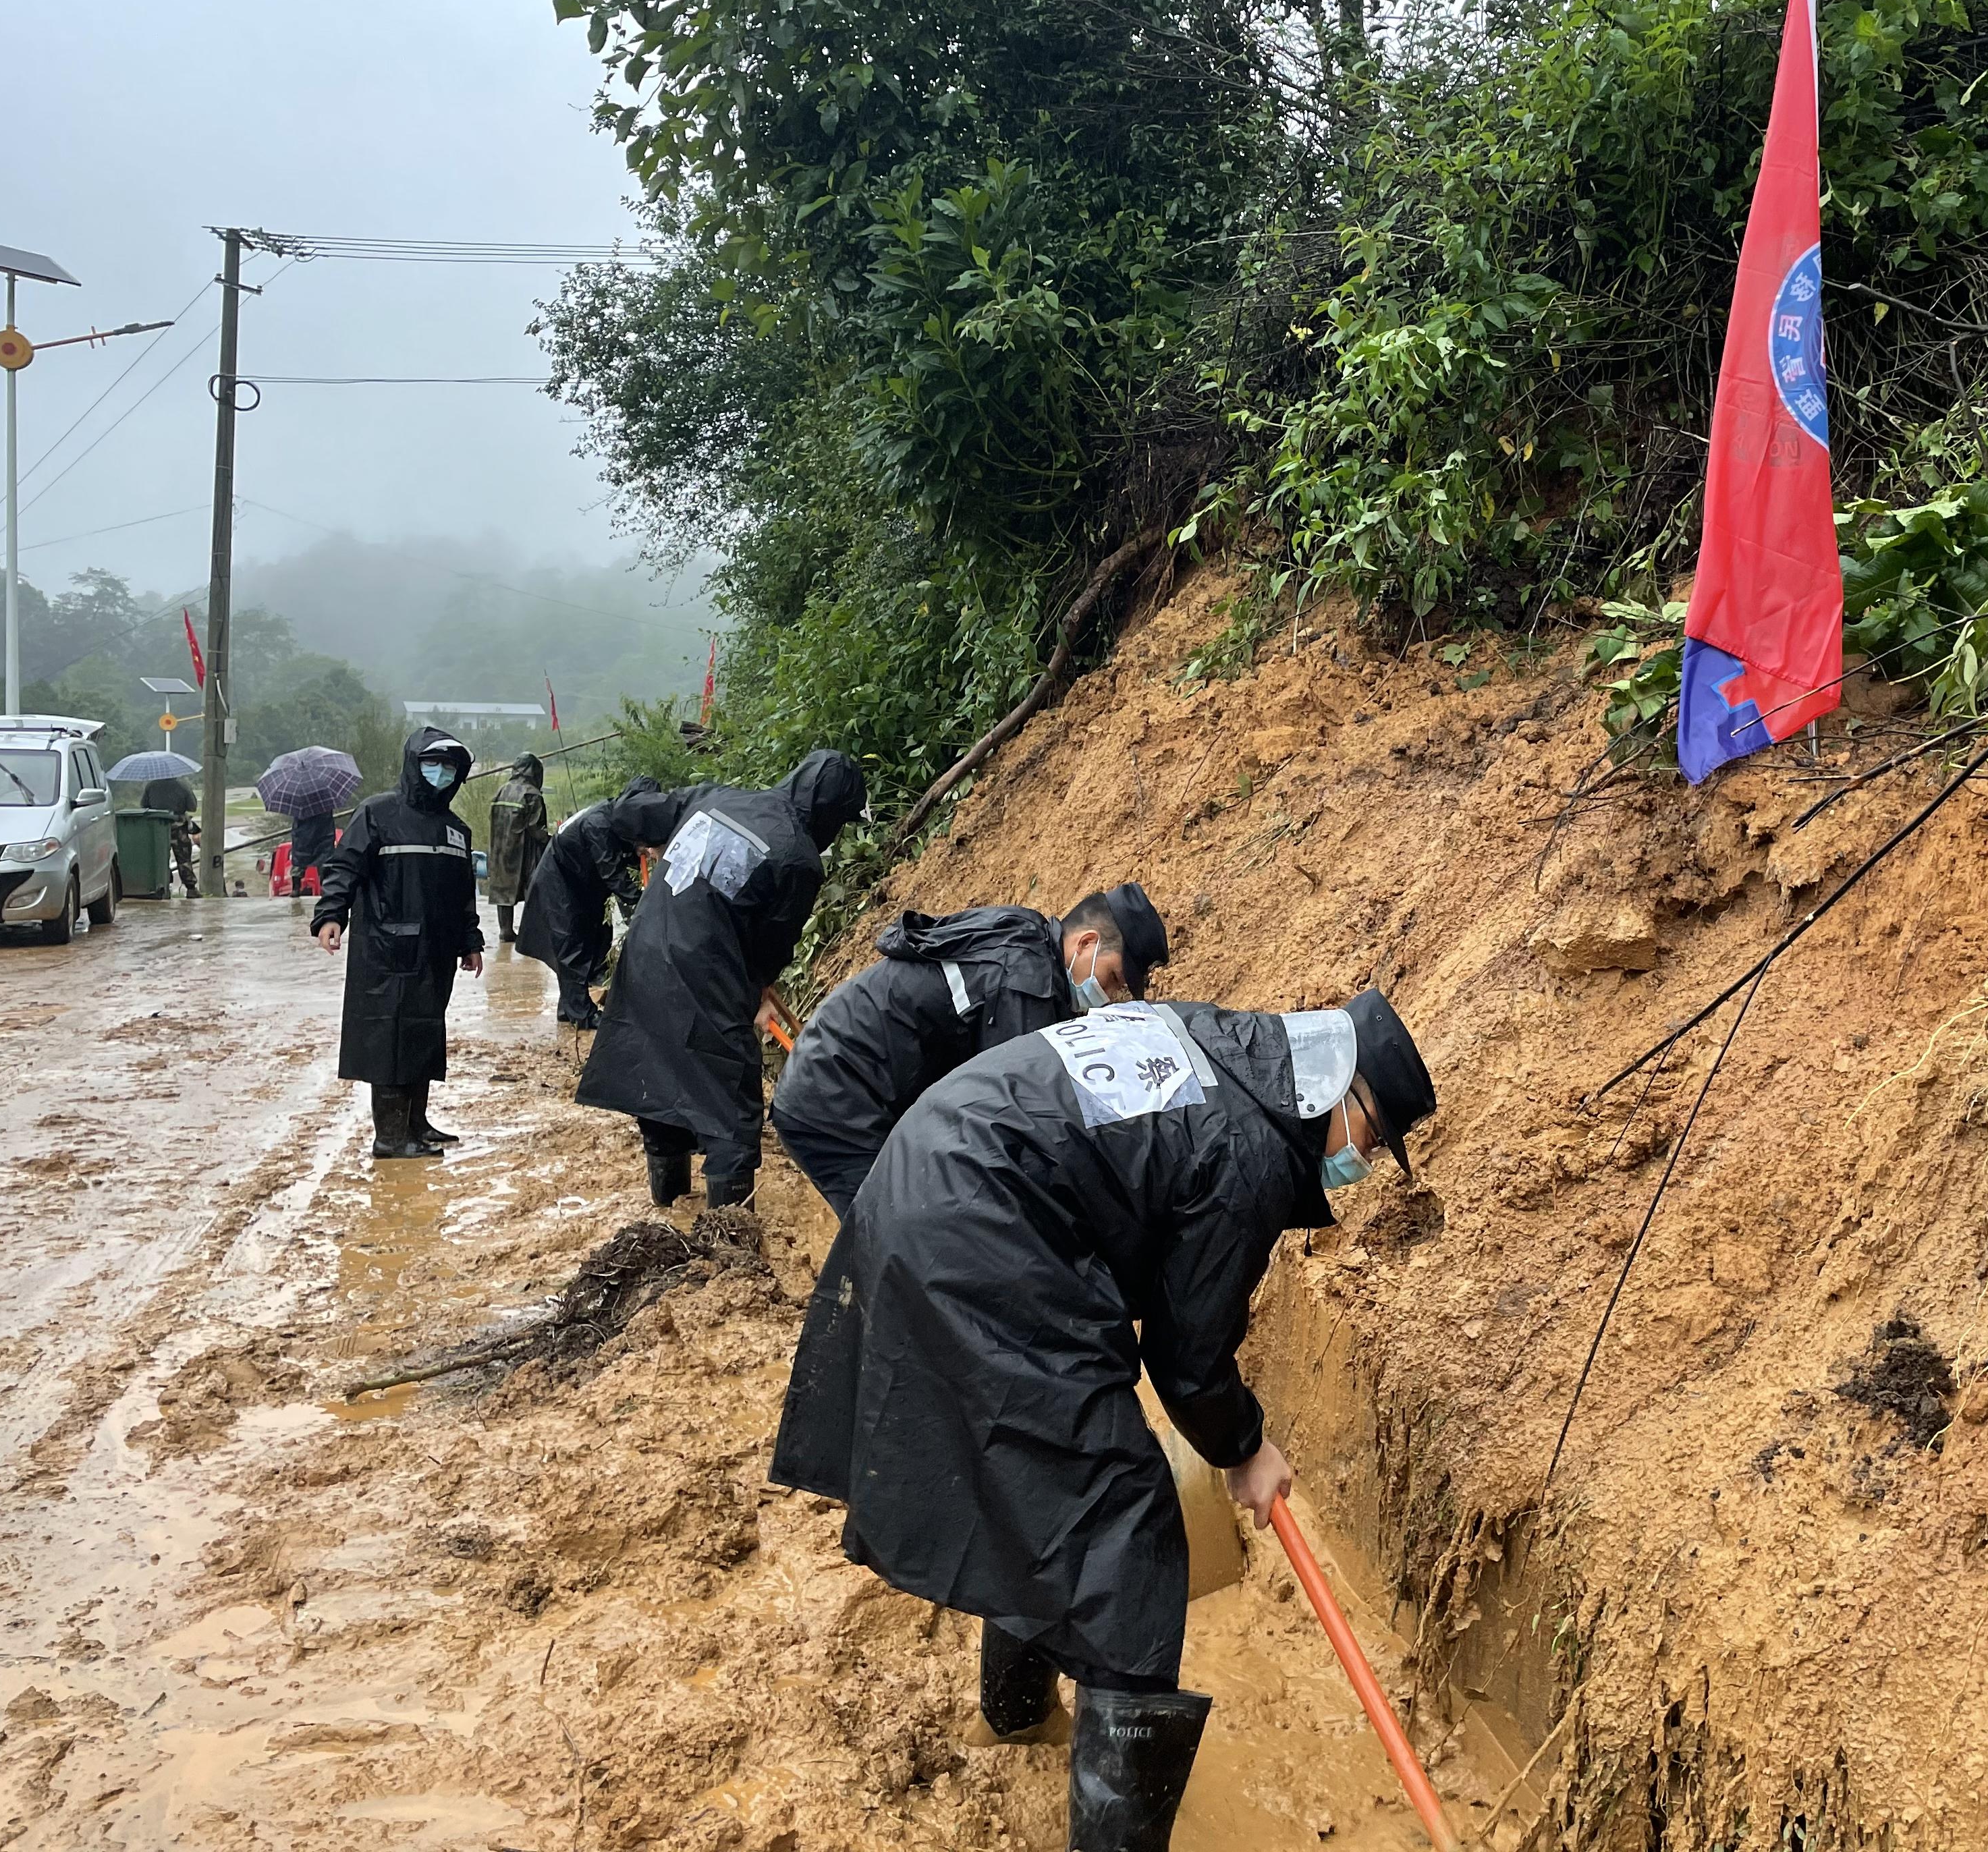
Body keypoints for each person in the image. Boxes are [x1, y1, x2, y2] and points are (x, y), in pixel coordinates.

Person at [769, 986, 1436, 1852]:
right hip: (985, 1230)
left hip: (928, 1171)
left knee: (1047, 1491)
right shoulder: (1254, 1150)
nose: (1364, 1163)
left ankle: (1015, 1723)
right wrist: (1245, 1447)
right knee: (1125, 1529)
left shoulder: (1219, 1048)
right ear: (1336, 1093)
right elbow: (1190, 1354)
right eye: (1373, 1139)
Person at [767, 883, 1170, 1218]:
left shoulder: (1029, 936)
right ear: (1086, 944)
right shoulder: (1023, 983)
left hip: (849, 1077)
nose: (1110, 995)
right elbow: (1013, 1119)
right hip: (834, 1096)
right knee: (900, 1227)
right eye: (1114, 977)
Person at [574, 750, 865, 1209]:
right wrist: (757, 992)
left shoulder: (715, 797)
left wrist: (652, 838)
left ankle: (671, 1220)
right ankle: (730, 1253)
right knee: (731, 1109)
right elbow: (772, 942)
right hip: (707, 973)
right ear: (831, 812)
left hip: (645, 956)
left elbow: (630, 812)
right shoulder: (799, 859)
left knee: (658, 1085)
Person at [309, 729, 486, 1159]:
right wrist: (331, 915)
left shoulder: (456, 830)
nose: (441, 773)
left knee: (423, 1032)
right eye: (433, 763)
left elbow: (463, 894)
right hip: (385, 951)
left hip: (436, 953)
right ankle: (390, 1137)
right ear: (413, 764)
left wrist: (471, 940)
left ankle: (416, 1124)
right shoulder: (377, 813)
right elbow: (344, 866)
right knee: (390, 1036)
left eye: (450, 767)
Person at [516, 776, 663, 1030]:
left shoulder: (621, 822)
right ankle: (581, 1014)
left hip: (584, 883)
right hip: (559, 882)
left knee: (599, 940)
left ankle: (571, 1006)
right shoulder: (599, 824)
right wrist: (648, 909)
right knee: (573, 945)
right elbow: (617, 878)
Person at [485, 754, 551, 944]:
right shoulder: (532, 794)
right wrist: (552, 841)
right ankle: (532, 932)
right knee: (534, 889)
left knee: (503, 890)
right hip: (525, 851)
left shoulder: (501, 791)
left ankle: (505, 930)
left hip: (500, 850)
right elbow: (537, 829)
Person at [139, 773, 200, 899]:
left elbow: (143, 806)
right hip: (178, 828)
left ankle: (163, 887)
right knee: (184, 859)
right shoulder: (183, 786)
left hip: (157, 828)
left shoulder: (151, 786)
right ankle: (191, 889)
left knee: (159, 859)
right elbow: (192, 807)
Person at [287, 808, 338, 902]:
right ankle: (326, 888)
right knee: (324, 861)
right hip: (323, 833)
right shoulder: (325, 802)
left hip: (303, 833)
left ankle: (296, 888)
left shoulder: (300, 802)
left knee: (300, 858)